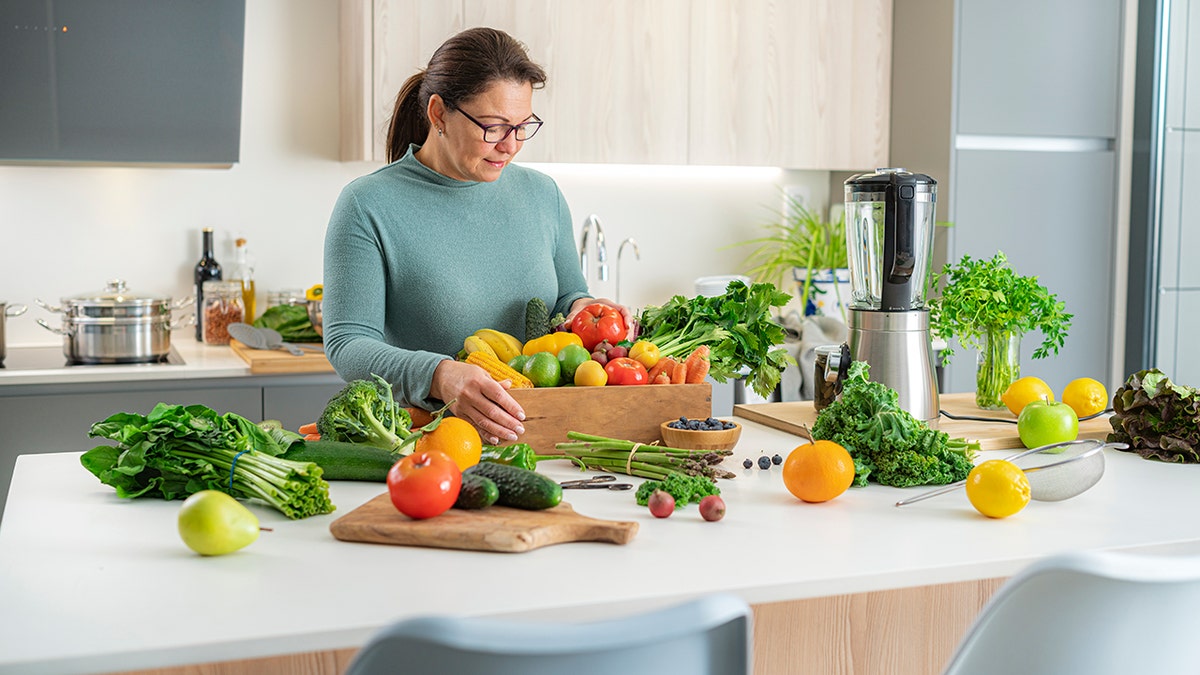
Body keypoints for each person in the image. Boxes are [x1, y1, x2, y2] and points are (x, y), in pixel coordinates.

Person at [322, 27, 632, 445]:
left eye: (523, 126)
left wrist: (587, 309)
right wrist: (438, 376)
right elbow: (348, 342)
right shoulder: (367, 204)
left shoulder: (543, 195)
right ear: (438, 114)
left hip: (547, 438)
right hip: (429, 444)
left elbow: (565, 299)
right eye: (494, 126)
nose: (511, 146)